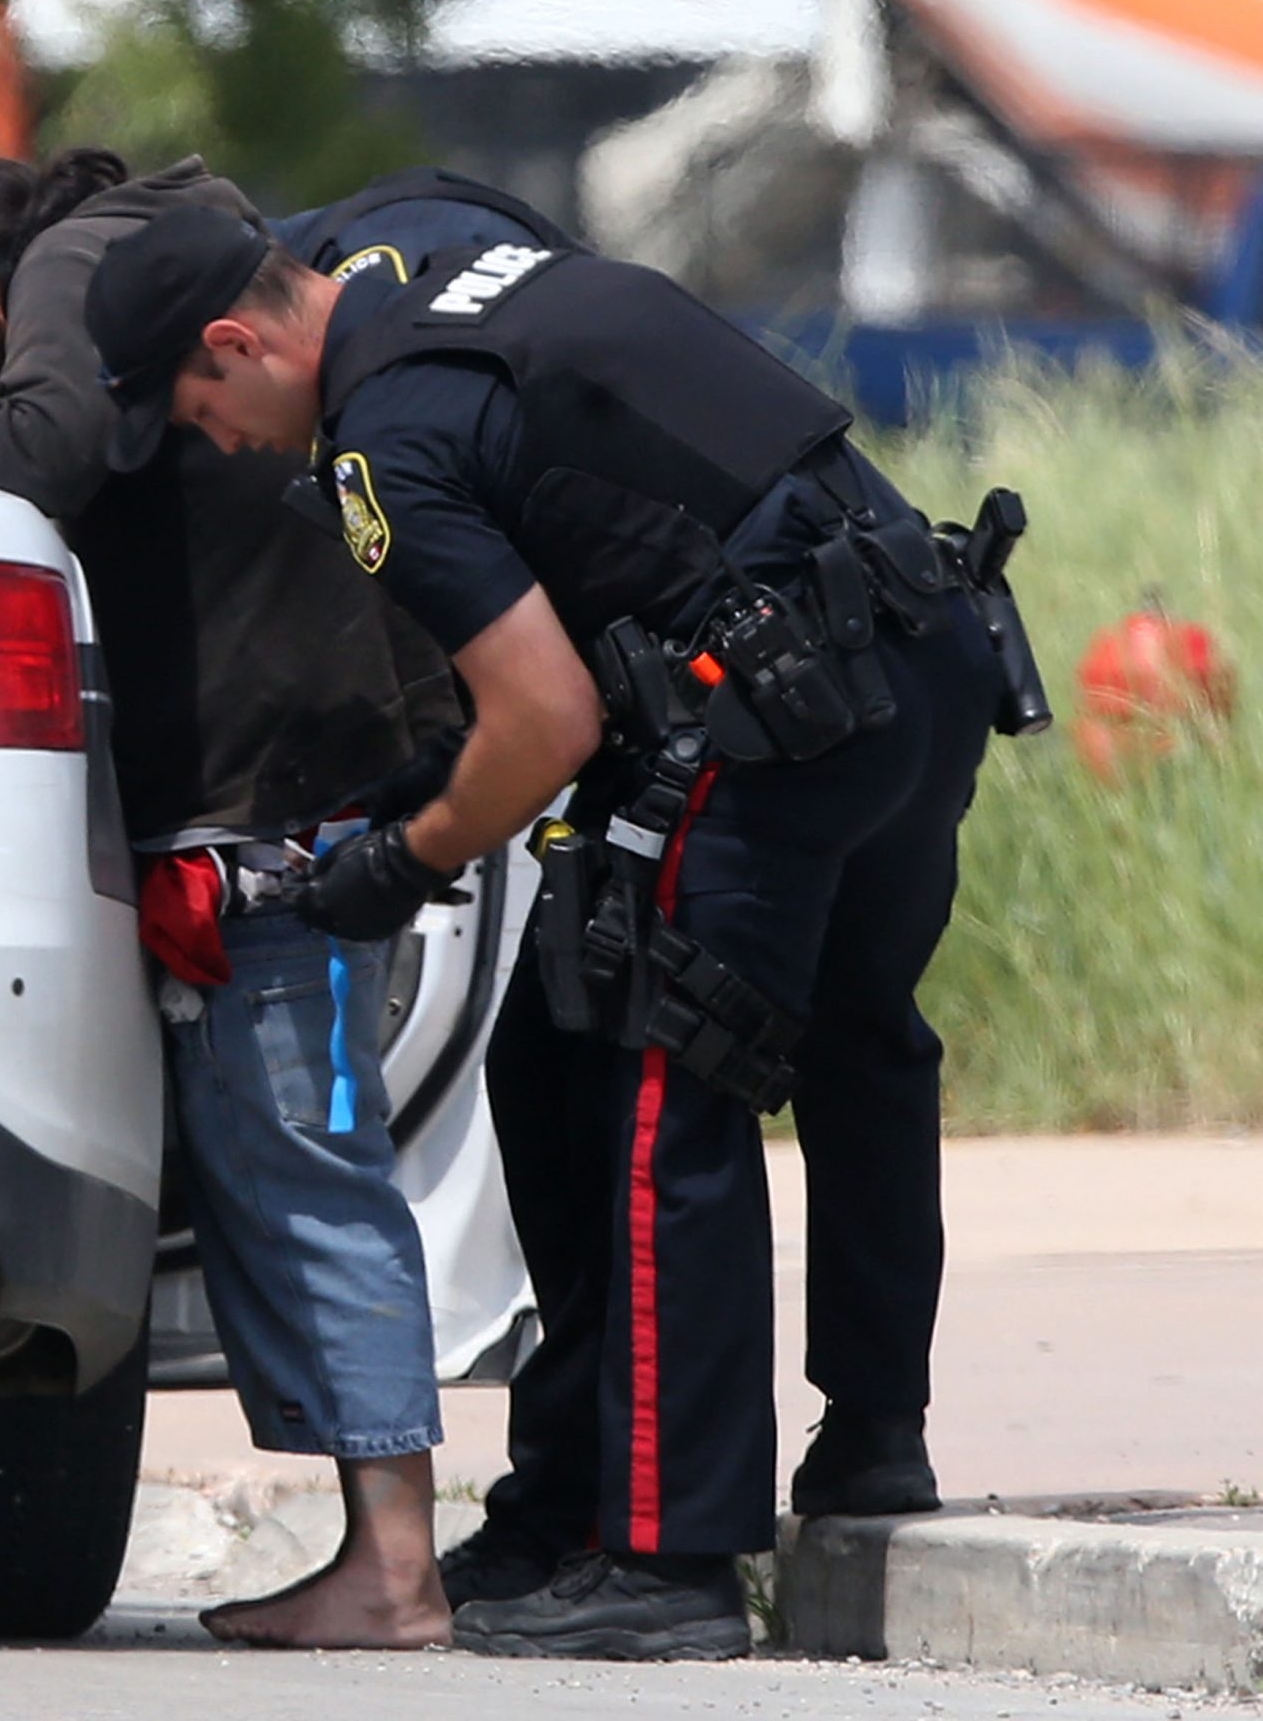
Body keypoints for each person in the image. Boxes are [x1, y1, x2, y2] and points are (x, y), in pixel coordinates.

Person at [82, 208, 1010, 1660]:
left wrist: (404, 861)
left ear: (238, 340)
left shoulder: (378, 440)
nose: (221, 443)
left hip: (776, 701)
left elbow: (548, 719)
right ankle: (808, 1453)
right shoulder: (432, 272)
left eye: (203, 409)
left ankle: (670, 1556)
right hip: (915, 642)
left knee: (649, 1082)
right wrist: (411, 798)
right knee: (825, 1048)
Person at [0, 151, 548, 1649]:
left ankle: (394, 1569)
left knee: (304, 1169)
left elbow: (39, 455)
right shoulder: (161, 240)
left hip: (271, 815)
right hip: (288, 789)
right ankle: (380, 1555)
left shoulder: (75, 264)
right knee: (280, 1171)